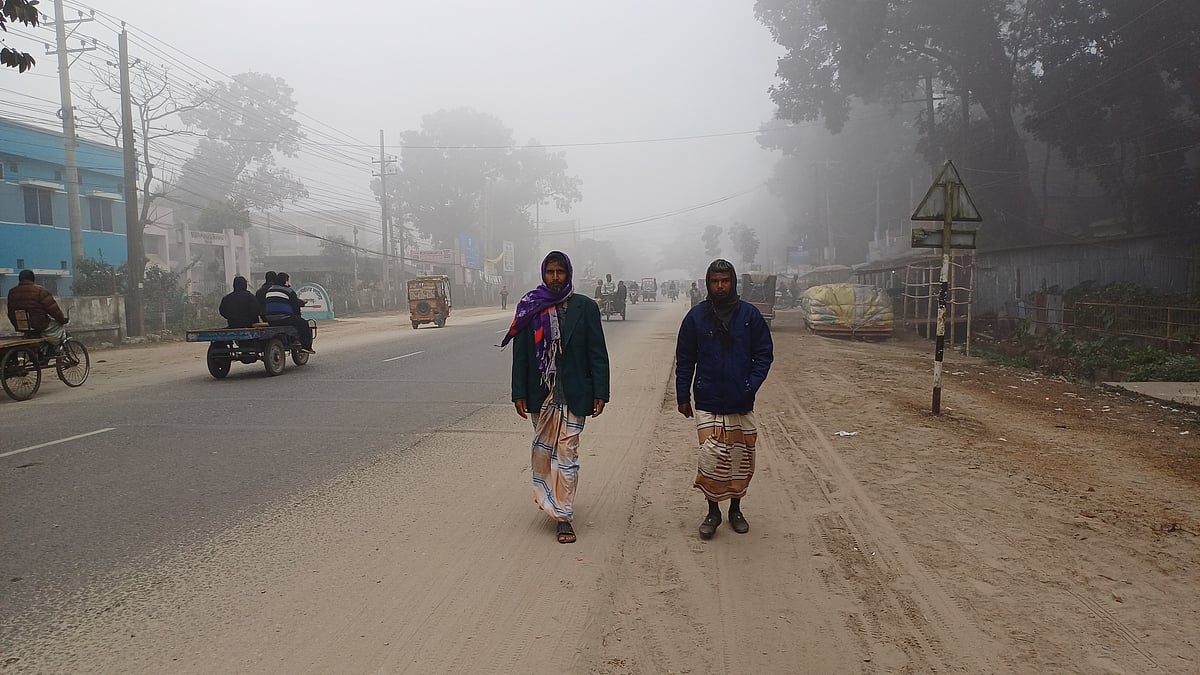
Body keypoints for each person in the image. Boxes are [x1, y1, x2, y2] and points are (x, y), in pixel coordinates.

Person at [502, 251, 610, 544]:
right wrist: (518, 393)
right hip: (542, 393)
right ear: (543, 273)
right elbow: (521, 355)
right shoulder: (530, 306)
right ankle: (550, 497)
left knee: (568, 456)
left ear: (568, 273)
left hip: (574, 392)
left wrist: (601, 391)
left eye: (559, 272)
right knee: (544, 453)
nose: (554, 277)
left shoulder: (584, 307)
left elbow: (597, 352)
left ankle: (563, 516)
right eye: (549, 272)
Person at [675, 259, 774, 540]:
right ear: (708, 283)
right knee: (711, 458)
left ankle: (735, 509)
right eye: (715, 281)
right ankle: (712, 511)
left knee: (739, 457)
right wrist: (683, 395)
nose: (720, 287)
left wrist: (750, 385)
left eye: (725, 281)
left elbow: (764, 355)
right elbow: (685, 360)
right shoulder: (696, 318)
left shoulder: (750, 316)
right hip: (707, 399)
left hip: (740, 400)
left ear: (733, 283)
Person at [6, 269, 68, 348]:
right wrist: (62, 320)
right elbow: (53, 310)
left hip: (21, 325)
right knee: (59, 326)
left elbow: (10, 311)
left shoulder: (12, 292)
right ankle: (56, 349)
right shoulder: (40, 291)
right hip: (39, 324)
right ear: (33, 278)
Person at [262, 272, 315, 353]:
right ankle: (306, 346)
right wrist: (298, 316)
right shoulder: (288, 291)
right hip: (284, 318)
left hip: (269, 319)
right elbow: (296, 306)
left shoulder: (269, 290)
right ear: (285, 281)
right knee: (303, 323)